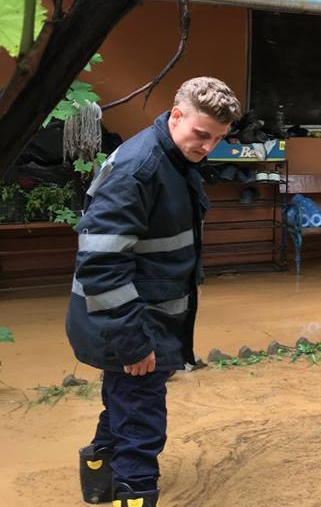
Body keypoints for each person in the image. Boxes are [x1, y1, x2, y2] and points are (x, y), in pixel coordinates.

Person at [67, 77, 241, 506]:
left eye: (218, 139)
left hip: (140, 318)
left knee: (124, 404)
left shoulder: (175, 157)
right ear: (175, 114)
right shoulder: (140, 167)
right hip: (130, 323)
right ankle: (132, 489)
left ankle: (97, 478)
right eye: (202, 135)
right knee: (142, 427)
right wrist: (133, 342)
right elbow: (102, 261)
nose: (208, 147)